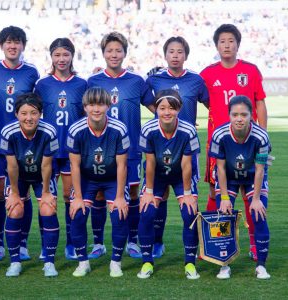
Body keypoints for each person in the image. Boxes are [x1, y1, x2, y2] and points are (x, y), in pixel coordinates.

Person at [200, 24, 268, 261]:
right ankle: (209, 242)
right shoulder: (207, 74)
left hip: (249, 143)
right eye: (222, 41)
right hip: (219, 144)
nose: (227, 45)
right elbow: (190, 95)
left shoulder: (250, 70)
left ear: (238, 44)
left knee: (251, 191)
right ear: (216, 45)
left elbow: (259, 102)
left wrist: (263, 136)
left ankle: (252, 244)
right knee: (215, 190)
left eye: (231, 41)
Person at [87, 32, 154, 259]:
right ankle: (98, 242)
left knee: (132, 194)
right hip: (100, 149)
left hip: (131, 149)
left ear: (125, 53)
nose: (114, 55)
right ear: (103, 53)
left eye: (118, 50)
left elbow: (157, 108)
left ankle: (132, 241)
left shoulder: (136, 81)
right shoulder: (93, 81)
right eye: (109, 50)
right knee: (98, 195)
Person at [146, 36, 209, 258]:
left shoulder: (196, 80)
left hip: (186, 147)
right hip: (160, 145)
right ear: (165, 55)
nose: (175, 55)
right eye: (171, 51)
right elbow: (144, 99)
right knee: (158, 197)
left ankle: (197, 249)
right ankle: (157, 242)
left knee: (190, 198)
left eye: (180, 52)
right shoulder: (154, 80)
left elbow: (212, 104)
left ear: (186, 55)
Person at [0, 26, 40, 262]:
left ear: (23, 45)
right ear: (1, 45)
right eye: (8, 42)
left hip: (23, 145)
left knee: (23, 194)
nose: (12, 46)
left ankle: (23, 243)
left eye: (17, 42)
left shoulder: (31, 73)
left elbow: (36, 104)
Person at [137, 89, 201, 279]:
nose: (166, 112)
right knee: (147, 212)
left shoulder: (188, 130)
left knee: (190, 213)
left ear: (179, 109)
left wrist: (188, 192)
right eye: (162, 108)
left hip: (181, 175)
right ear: (156, 109)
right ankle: (147, 261)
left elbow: (187, 163)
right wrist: (148, 191)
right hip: (156, 175)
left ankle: (190, 262)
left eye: (171, 108)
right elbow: (149, 162)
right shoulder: (148, 129)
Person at [67, 87, 130, 277]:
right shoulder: (76, 130)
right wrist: (77, 197)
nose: (96, 109)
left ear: (108, 106)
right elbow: (75, 166)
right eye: (91, 104)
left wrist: (119, 197)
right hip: (87, 178)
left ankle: (116, 262)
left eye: (100, 104)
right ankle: (82, 262)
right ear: (85, 107)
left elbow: (122, 165)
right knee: (77, 213)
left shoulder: (119, 129)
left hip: (112, 178)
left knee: (120, 213)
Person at [34, 37, 87, 260]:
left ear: (72, 56)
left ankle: (72, 244)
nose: (61, 59)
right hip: (47, 150)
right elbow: (32, 115)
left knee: (69, 196)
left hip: (72, 151)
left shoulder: (82, 84)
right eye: (57, 55)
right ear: (51, 57)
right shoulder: (42, 85)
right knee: (45, 198)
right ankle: (46, 245)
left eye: (66, 54)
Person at [209, 96, 271, 280]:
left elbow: (260, 169)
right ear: (229, 115)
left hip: (253, 176)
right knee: (223, 219)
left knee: (258, 215)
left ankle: (261, 265)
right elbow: (219, 167)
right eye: (235, 114)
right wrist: (225, 198)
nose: (239, 118)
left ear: (251, 115)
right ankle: (224, 265)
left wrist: (257, 199)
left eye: (244, 114)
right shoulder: (219, 135)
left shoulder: (261, 136)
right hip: (228, 177)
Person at [0, 93, 60, 277]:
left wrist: (48, 192)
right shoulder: (8, 132)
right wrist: (15, 194)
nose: (29, 118)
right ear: (16, 114)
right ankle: (15, 261)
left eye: (33, 113)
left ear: (40, 113)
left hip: (42, 176)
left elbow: (47, 165)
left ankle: (49, 261)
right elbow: (11, 166)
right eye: (24, 113)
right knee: (16, 209)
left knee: (48, 209)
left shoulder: (49, 131)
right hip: (18, 176)